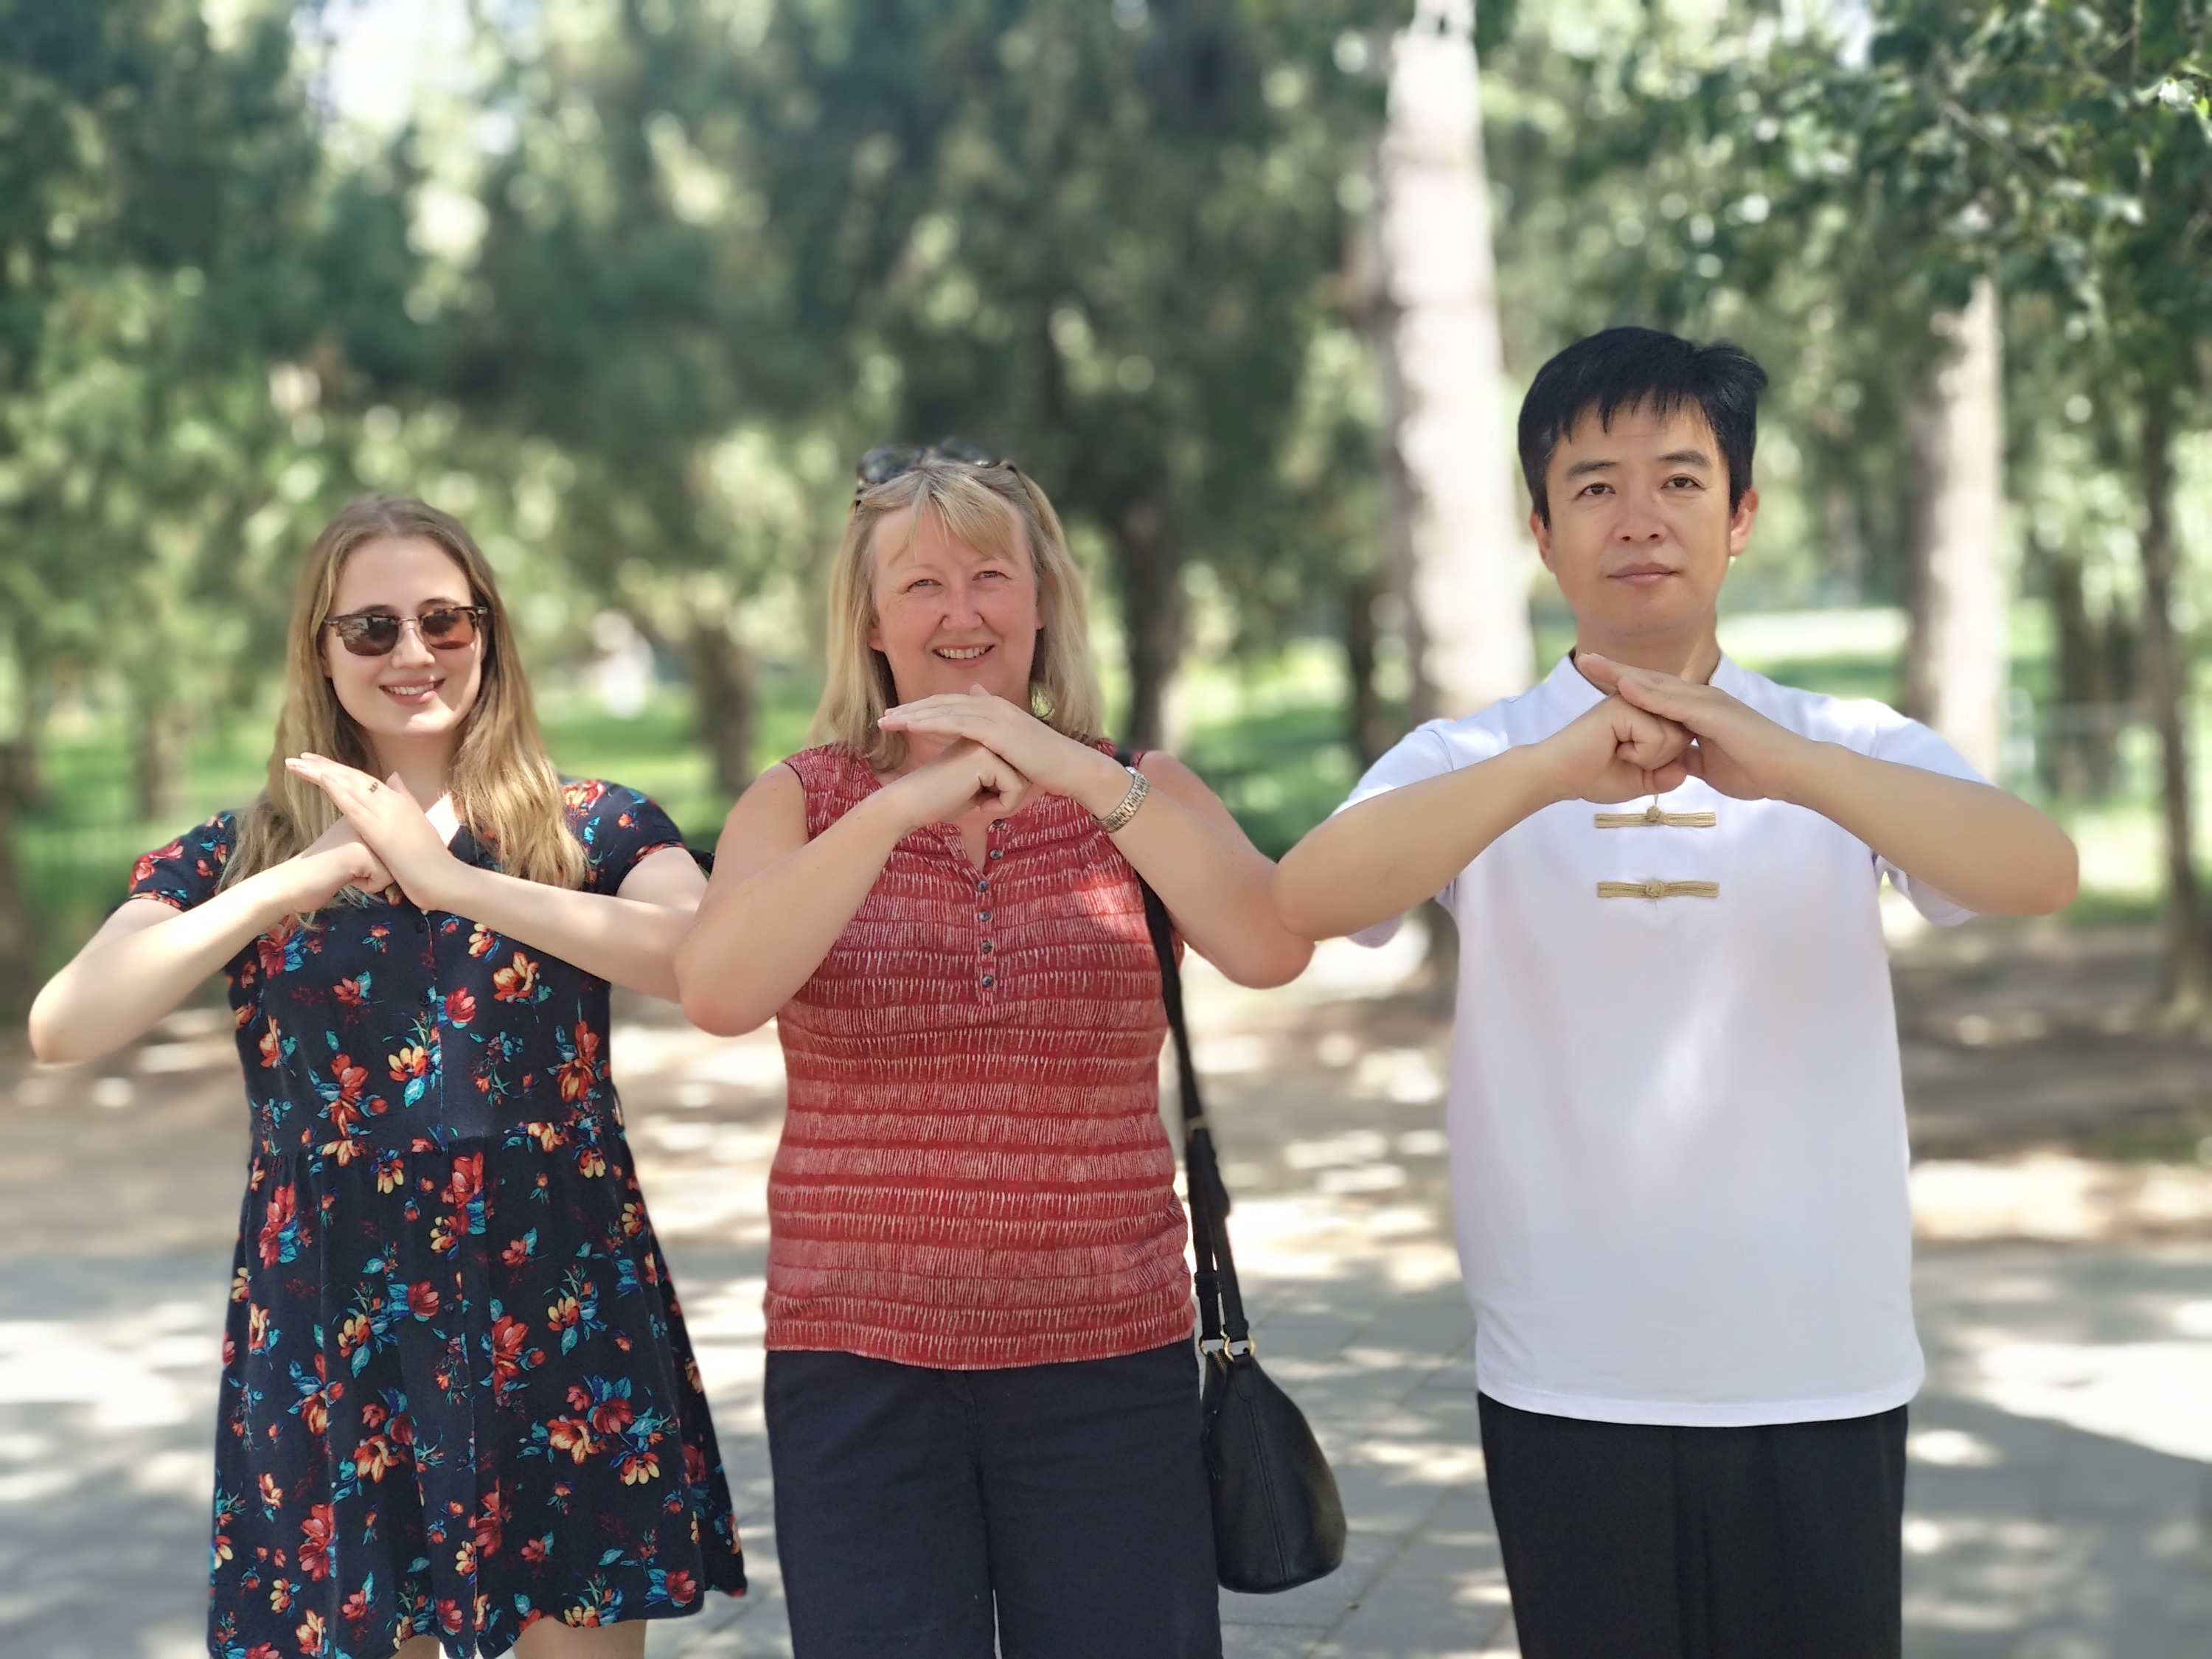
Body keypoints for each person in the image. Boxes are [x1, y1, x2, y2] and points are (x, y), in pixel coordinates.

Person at [1275, 328, 2078, 1658]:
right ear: (1542, 529)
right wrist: (1550, 765)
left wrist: (1787, 761)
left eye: (1681, 479)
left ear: (1742, 514)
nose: (1639, 518)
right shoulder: (1471, 757)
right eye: (1594, 486)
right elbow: (1310, 901)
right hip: (1570, 1367)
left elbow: (2038, 871)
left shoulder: (1845, 745)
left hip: (1819, 1358)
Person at [28, 498, 745, 1659]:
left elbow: (701, 964)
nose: (414, 654)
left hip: (559, 1303)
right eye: (371, 628)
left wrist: (451, 881)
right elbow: (66, 1021)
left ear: (488, 634)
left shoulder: (595, 826)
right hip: (339, 1317)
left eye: (444, 620)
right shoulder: (241, 849)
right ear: (321, 649)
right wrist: (285, 885)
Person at [675, 444, 1312, 1658]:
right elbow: (717, 989)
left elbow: (1272, 943)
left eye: (990, 576)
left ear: (1042, 598)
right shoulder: (799, 801)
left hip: (1108, 1359)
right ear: (869, 617)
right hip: (858, 1367)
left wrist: (1067, 770)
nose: (961, 612)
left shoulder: (1136, 789)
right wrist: (907, 800)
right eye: (921, 585)